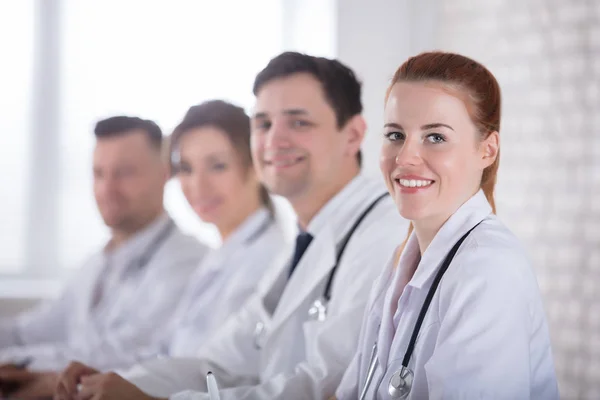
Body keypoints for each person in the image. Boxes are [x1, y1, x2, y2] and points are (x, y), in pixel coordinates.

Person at [53, 52, 409, 400]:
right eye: (264, 124)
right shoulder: (300, 246)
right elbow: (219, 363)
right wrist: (119, 382)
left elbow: (329, 387)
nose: (273, 140)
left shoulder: (383, 235)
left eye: (299, 122)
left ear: (353, 135)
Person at [335, 51, 559, 399]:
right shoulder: (400, 264)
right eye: (395, 134)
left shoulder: (488, 270)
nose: (405, 157)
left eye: (435, 137)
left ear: (487, 150)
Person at [56, 100, 291, 380]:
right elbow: (166, 351)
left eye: (217, 166)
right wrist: (101, 377)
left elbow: (222, 374)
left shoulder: (267, 261)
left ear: (256, 166)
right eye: (187, 168)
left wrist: (128, 386)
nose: (198, 186)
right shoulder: (222, 257)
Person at [0, 117, 209, 397]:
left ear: (163, 175)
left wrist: (16, 363)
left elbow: (124, 352)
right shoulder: (98, 262)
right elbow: (30, 330)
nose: (107, 189)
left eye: (124, 173)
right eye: (99, 173)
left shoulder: (186, 261)